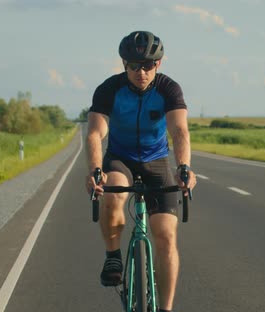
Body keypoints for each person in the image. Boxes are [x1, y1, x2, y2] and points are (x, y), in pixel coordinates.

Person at [85, 30, 196, 312]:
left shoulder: (169, 89)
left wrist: (184, 168)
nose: (141, 72)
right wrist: (96, 171)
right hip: (120, 158)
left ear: (158, 64)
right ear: (124, 64)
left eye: (147, 66)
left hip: (156, 160)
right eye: (134, 66)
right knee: (112, 197)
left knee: (166, 236)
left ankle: (165, 308)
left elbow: (179, 130)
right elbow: (96, 134)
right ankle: (113, 255)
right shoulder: (109, 89)